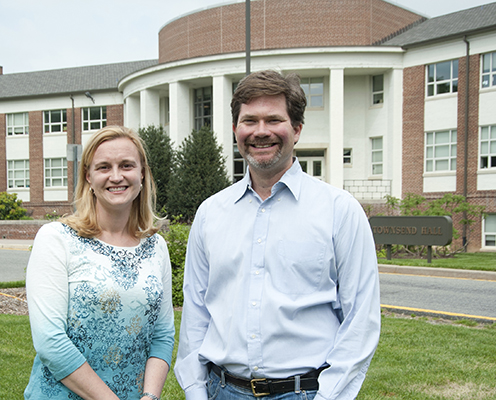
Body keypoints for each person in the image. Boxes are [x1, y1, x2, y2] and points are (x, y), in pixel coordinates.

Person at [174, 70, 381, 400]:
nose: (261, 131)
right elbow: (197, 312)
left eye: (273, 120)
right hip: (221, 391)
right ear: (235, 129)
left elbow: (361, 320)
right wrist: (197, 391)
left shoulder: (340, 210)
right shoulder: (211, 213)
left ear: (296, 129)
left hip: (305, 393)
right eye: (249, 120)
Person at [24, 126, 175, 400]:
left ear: (142, 173)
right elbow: (50, 342)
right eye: (104, 167)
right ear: (88, 177)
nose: (116, 176)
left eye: (126, 165)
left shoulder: (156, 247)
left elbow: (162, 335)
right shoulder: (57, 239)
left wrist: (150, 397)